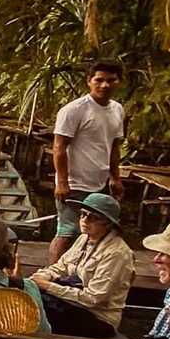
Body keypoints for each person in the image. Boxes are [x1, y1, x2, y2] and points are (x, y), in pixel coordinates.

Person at [29, 191, 136, 338]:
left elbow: (93, 298)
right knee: (29, 294)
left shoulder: (117, 253)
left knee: (40, 305)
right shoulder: (84, 238)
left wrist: (48, 286)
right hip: (74, 304)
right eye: (82, 214)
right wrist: (41, 277)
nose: (85, 220)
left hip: (98, 318)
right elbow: (61, 266)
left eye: (92, 217)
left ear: (108, 223)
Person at [49, 60, 126, 261]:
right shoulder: (74, 110)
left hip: (99, 183)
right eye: (99, 80)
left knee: (95, 232)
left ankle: (81, 272)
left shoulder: (117, 109)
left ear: (119, 82)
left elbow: (114, 147)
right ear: (89, 82)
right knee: (67, 231)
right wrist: (63, 182)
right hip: (75, 183)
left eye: (111, 80)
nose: (105, 85)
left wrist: (115, 178)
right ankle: (49, 275)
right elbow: (59, 147)